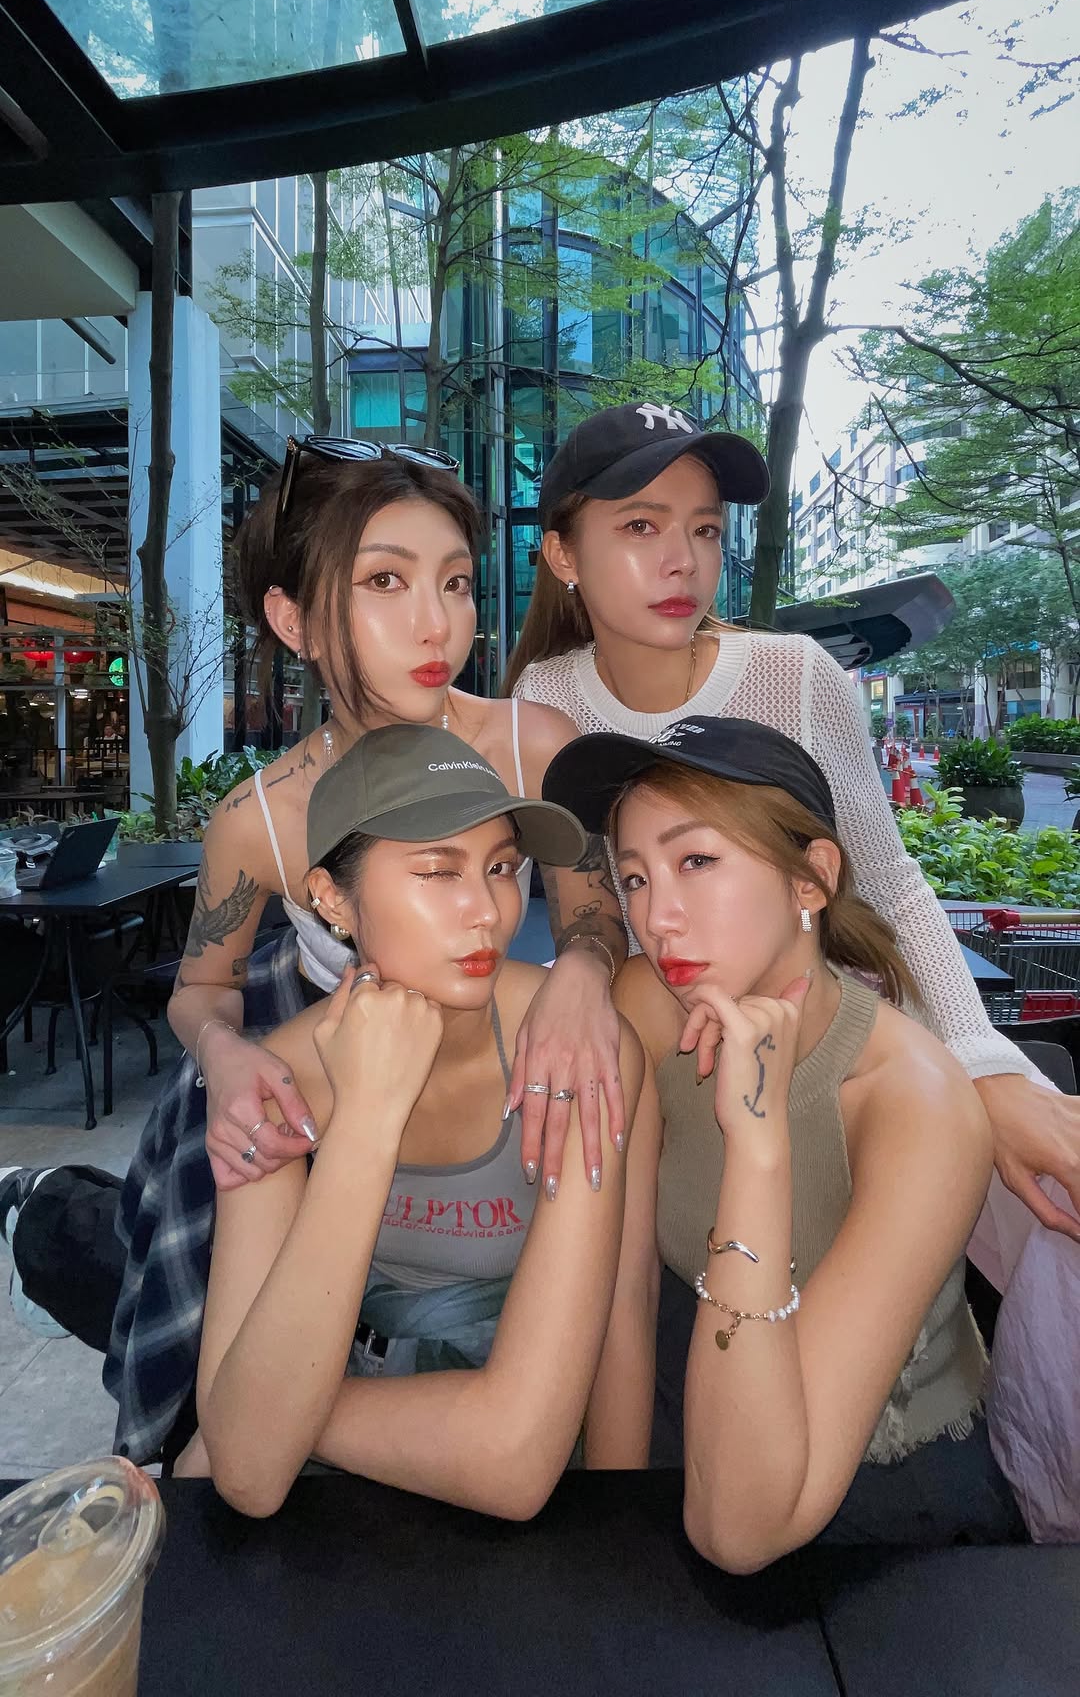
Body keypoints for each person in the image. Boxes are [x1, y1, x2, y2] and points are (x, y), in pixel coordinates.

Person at [506, 399, 1080, 1245]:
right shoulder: (544, 699)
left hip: (843, 1035)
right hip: (678, 1051)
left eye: (705, 530)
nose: (682, 561)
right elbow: (591, 911)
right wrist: (577, 975)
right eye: (640, 526)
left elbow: (890, 886)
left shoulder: (794, 674)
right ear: (563, 554)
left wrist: (987, 1068)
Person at [545, 716, 1024, 1567]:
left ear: (812, 878)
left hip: (886, 1507)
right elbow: (623, 1293)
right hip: (692, 1413)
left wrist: (758, 1146)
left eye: (697, 861)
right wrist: (614, 1523)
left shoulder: (917, 1105)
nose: (657, 917)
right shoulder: (650, 1006)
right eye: (635, 877)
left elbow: (742, 1529)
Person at [172, 723, 651, 1517]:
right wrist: (366, 1119)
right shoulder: (278, 1086)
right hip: (342, 1500)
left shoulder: (571, 1048)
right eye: (437, 871)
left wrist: (266, 1416)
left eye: (500, 868)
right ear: (333, 899)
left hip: (538, 1489)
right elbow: (250, 1477)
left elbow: (519, 1454)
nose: (487, 912)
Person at [179, 434, 628, 1196]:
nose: (437, 624)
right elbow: (201, 987)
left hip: (501, 1060)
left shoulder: (532, 746)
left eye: (455, 583)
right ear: (295, 621)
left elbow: (594, 913)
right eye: (385, 580)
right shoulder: (260, 819)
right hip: (328, 1086)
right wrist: (219, 1052)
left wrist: (582, 974)